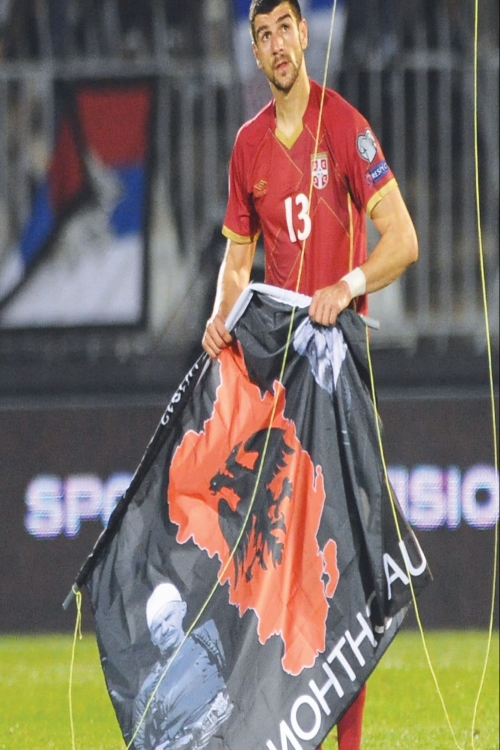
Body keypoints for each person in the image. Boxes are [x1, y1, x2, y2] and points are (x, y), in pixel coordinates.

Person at [202, 1, 418, 748]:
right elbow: (238, 259)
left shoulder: (345, 125)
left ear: (303, 34)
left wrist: (347, 286)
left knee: (347, 574)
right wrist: (220, 315)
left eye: (284, 29)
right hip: (280, 389)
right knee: (283, 577)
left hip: (342, 383)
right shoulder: (248, 145)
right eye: (260, 35)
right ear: (256, 51)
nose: (275, 45)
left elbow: (404, 239)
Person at [132, 583, 233, 750]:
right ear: (153, 639)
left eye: (168, 617)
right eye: (157, 627)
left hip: (229, 724)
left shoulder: (208, 636)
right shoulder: (147, 691)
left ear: (182, 609)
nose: (165, 629)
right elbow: (140, 744)